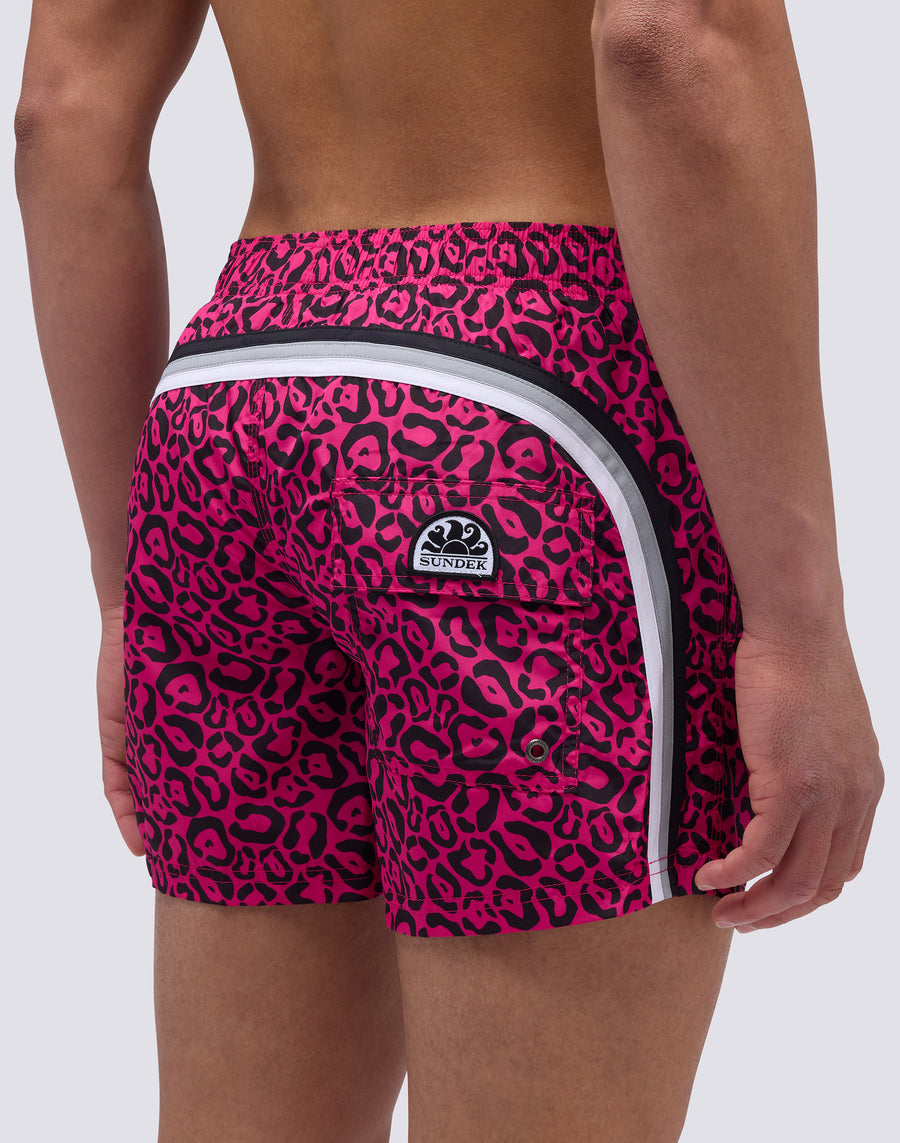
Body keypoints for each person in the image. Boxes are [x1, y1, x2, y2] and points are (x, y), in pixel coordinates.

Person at [14, 1, 884, 1141]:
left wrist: (128, 591)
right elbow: (671, 32)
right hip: (529, 400)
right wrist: (796, 624)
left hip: (232, 403)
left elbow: (61, 118)